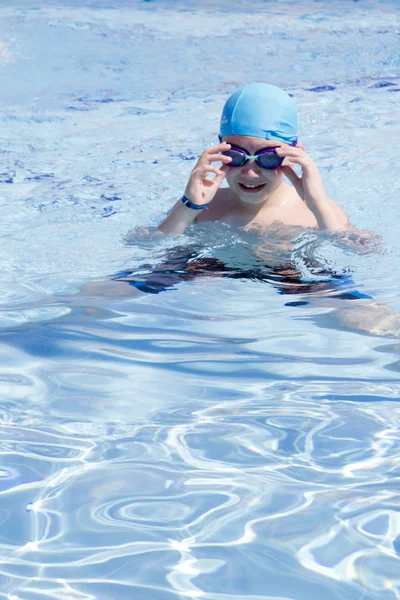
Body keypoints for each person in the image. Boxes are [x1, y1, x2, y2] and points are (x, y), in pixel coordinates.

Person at [158, 82, 350, 235]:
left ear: (292, 156)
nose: (249, 172)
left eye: (268, 158)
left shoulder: (315, 210)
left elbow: (360, 251)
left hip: (290, 277)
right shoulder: (202, 206)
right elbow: (146, 245)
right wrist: (188, 208)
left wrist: (318, 207)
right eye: (235, 155)